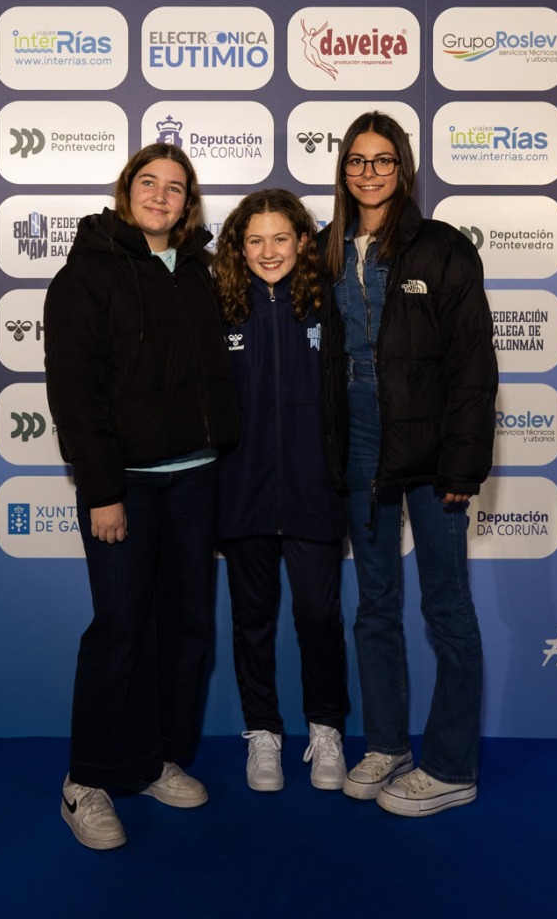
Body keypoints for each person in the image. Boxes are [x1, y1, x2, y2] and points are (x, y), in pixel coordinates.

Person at [44, 143, 240, 850]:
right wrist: (102, 490)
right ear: (126, 191)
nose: (161, 195)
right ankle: (87, 781)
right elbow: (75, 394)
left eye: (175, 187)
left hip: (195, 478)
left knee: (186, 629)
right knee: (122, 628)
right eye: (149, 182)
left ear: (189, 203)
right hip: (125, 484)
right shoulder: (86, 274)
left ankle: (155, 759)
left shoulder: (197, 273)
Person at [320, 111, 497, 817]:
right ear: (344, 171)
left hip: (431, 443)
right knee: (374, 603)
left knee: (446, 604)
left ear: (403, 168)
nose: (369, 173)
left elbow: (473, 364)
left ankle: (452, 766)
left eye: (382, 160)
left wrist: (462, 466)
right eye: (357, 161)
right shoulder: (329, 249)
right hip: (359, 435)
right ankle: (387, 744)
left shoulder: (442, 247)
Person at [211, 189, 349, 792]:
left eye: (281, 238)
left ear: (303, 241)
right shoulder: (219, 305)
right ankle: (263, 732)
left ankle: (327, 728)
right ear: (238, 247)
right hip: (242, 490)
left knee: (319, 616)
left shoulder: (329, 301)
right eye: (255, 240)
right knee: (252, 621)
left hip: (314, 489)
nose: (269, 252)